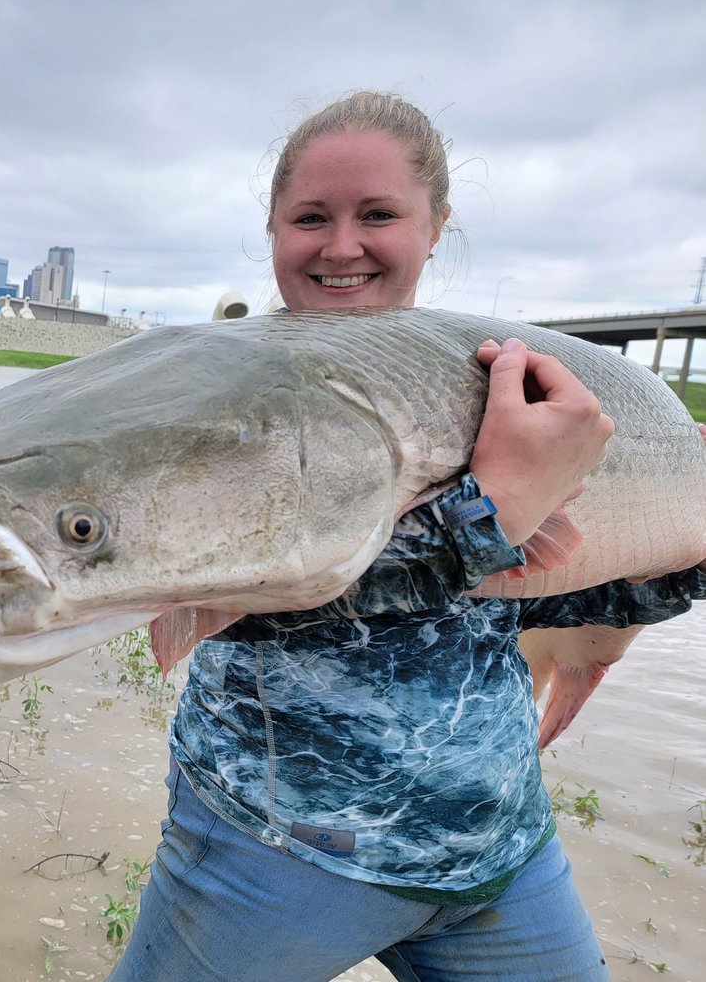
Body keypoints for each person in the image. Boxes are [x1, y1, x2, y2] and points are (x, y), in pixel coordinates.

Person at [106, 91, 706, 982]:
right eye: (310, 217)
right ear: (271, 229)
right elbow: (279, 572)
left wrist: (681, 559)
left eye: (377, 215)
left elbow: (570, 587)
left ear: (434, 228)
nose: (340, 245)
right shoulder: (230, 396)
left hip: (494, 855)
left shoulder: (502, 384)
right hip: (269, 857)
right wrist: (490, 510)